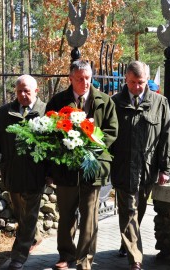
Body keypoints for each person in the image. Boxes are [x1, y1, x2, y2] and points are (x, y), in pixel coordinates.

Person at [46, 60, 118, 270]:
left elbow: (112, 132)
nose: (85, 83)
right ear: (70, 79)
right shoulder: (58, 101)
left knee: (89, 217)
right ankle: (66, 256)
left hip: (93, 167)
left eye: (88, 78)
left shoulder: (104, 101)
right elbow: (49, 134)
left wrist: (90, 143)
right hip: (66, 169)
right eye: (80, 79)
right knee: (66, 214)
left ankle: (84, 259)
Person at [110, 61, 170, 270]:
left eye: (141, 82)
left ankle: (126, 242)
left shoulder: (160, 102)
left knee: (140, 210)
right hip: (123, 168)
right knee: (128, 212)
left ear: (147, 81)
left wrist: (166, 168)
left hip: (147, 169)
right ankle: (135, 259)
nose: (137, 87)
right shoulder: (115, 103)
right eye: (132, 82)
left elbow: (166, 137)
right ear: (126, 80)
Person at [0, 75, 46, 270]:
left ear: (36, 91)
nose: (23, 95)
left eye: (27, 91)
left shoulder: (46, 112)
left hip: (36, 174)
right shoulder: (3, 112)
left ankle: (18, 256)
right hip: (12, 173)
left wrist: (51, 172)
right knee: (20, 213)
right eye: (19, 91)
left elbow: (53, 146)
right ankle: (36, 237)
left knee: (30, 215)